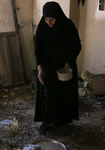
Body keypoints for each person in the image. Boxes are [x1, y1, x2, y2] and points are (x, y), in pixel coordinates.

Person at [34, 1, 82, 132]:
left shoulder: (68, 26)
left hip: (65, 67)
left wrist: (69, 62)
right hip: (47, 66)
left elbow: (77, 46)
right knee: (46, 94)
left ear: (58, 17)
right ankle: (46, 121)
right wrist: (40, 69)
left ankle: (64, 122)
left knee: (64, 94)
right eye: (46, 19)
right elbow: (37, 49)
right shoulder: (42, 27)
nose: (48, 23)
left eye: (52, 20)